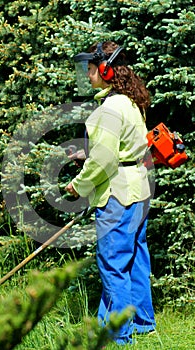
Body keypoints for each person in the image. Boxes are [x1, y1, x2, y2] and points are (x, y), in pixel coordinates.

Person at [65, 41, 156, 345]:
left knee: (113, 263)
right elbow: (125, 147)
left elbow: (104, 161)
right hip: (139, 190)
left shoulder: (109, 108)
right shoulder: (130, 102)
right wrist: (85, 154)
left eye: (90, 69)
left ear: (105, 70)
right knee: (137, 259)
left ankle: (121, 334)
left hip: (117, 195)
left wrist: (78, 186)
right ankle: (144, 323)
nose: (88, 75)